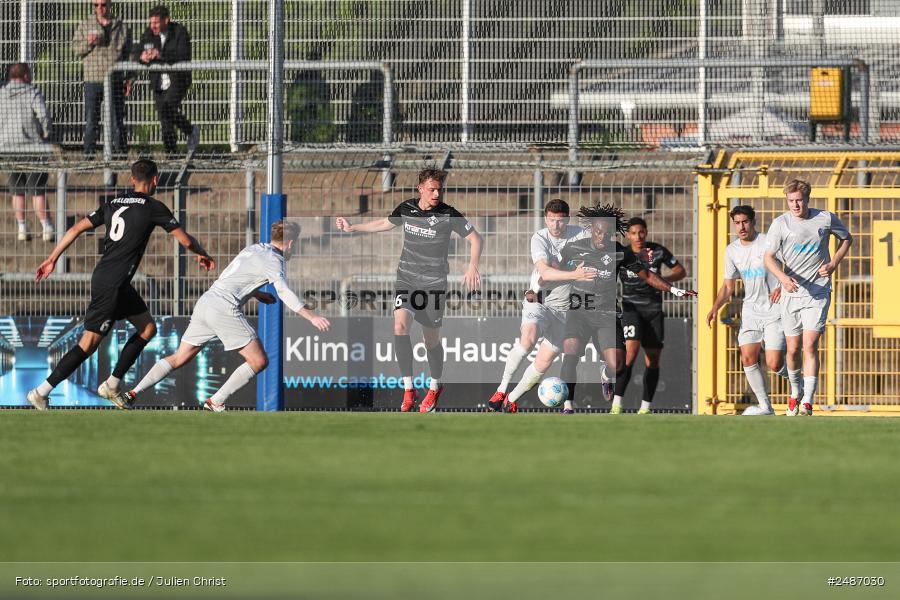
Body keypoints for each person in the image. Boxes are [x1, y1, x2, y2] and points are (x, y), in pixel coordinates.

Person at [26, 159, 214, 410]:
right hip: (113, 284)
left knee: (147, 328)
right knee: (88, 344)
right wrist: (201, 253)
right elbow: (185, 240)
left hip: (112, 279)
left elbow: (76, 229)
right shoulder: (154, 207)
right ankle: (41, 391)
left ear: (132, 179)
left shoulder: (113, 203)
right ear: (155, 180)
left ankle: (112, 384)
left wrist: (52, 258)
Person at [123, 220, 331, 411]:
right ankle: (216, 400)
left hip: (206, 302)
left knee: (179, 357)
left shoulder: (255, 248)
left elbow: (234, 276)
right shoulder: (274, 260)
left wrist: (257, 294)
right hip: (224, 308)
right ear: (291, 243)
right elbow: (284, 292)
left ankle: (132, 393)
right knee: (258, 361)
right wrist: (312, 317)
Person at [335, 168, 482, 413]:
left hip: (434, 285)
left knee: (430, 341)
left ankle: (434, 386)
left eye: (439, 190)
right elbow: (384, 223)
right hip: (407, 280)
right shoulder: (407, 208)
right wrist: (353, 228)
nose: (437, 194)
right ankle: (409, 388)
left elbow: (476, 239)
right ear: (420, 189)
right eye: (432, 189)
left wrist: (472, 266)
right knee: (400, 327)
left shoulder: (448, 214)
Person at [541, 204, 697, 414]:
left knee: (618, 365)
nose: (602, 237)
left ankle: (606, 374)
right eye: (598, 232)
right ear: (591, 229)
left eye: (607, 234)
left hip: (606, 314)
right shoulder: (573, 248)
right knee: (571, 352)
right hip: (578, 310)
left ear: (613, 234)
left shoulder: (620, 253)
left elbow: (647, 275)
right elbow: (553, 272)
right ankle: (567, 405)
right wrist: (540, 286)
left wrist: (674, 290)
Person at [487, 198, 587, 413]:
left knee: (544, 361)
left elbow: (602, 248)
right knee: (528, 339)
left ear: (568, 220)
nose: (556, 225)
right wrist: (576, 274)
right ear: (545, 219)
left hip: (565, 309)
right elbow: (546, 273)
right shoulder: (539, 238)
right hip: (539, 299)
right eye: (551, 220)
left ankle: (511, 399)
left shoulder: (581, 235)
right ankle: (501, 389)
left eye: (560, 221)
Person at [764, 179, 852, 416]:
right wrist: (783, 278)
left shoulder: (825, 218)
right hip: (792, 292)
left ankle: (808, 402)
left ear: (807, 199)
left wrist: (833, 263)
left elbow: (847, 238)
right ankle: (796, 392)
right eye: (791, 201)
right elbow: (768, 258)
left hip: (818, 292)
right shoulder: (781, 223)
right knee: (793, 349)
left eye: (799, 200)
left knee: (810, 344)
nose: (795, 205)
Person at [706, 206, 788, 416]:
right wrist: (715, 307)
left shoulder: (768, 242)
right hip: (751, 311)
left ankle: (800, 385)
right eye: (737, 223)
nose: (741, 227)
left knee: (774, 363)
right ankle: (766, 407)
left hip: (775, 310)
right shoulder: (731, 251)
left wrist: (782, 284)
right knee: (748, 358)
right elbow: (728, 286)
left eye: (745, 222)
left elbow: (791, 265)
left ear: (753, 221)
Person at [612, 217, 687, 414]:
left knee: (653, 360)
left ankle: (645, 408)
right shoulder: (623, 254)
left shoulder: (658, 251)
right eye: (633, 233)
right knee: (629, 354)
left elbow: (680, 271)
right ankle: (616, 404)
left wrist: (663, 280)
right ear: (628, 235)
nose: (638, 236)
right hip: (631, 308)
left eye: (641, 232)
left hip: (654, 310)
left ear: (646, 232)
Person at [134, 5, 198, 155]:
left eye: (156, 23)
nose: (153, 26)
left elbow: (183, 55)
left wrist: (160, 55)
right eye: (151, 22)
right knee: (165, 119)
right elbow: (137, 50)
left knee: (166, 110)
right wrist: (142, 57)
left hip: (178, 79)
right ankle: (172, 153)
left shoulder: (180, 32)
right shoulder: (148, 33)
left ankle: (190, 130)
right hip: (157, 81)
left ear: (166, 20)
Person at [0, 63, 53, 242]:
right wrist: (46, 132)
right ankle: (46, 227)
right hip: (32, 148)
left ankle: (22, 228)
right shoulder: (32, 92)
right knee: (37, 189)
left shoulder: (2, 94)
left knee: (17, 190)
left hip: (8, 148)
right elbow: (43, 115)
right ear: (25, 76)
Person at [72, 0, 131, 155]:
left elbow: (129, 54)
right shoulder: (85, 25)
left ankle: (120, 155)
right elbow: (76, 49)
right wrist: (89, 42)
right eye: (96, 5)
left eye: (103, 4)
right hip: (93, 79)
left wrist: (130, 79)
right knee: (91, 120)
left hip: (115, 79)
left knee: (117, 120)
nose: (99, 8)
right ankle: (89, 155)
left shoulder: (121, 26)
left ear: (110, 5)